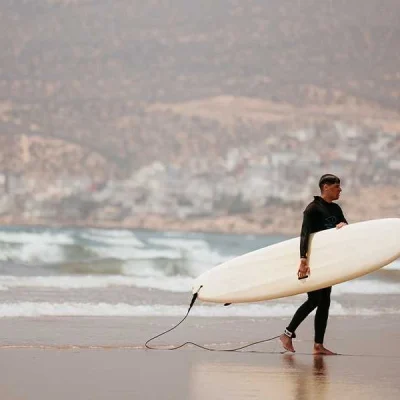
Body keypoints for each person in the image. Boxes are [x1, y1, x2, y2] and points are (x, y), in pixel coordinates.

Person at [279, 174, 348, 355]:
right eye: (336, 186)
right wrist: (303, 260)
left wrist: (342, 225)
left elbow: (345, 227)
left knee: (325, 302)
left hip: (328, 261)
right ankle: (287, 334)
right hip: (314, 261)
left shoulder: (335, 209)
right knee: (314, 300)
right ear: (325, 187)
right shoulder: (313, 209)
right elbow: (305, 234)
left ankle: (318, 345)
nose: (340, 190)